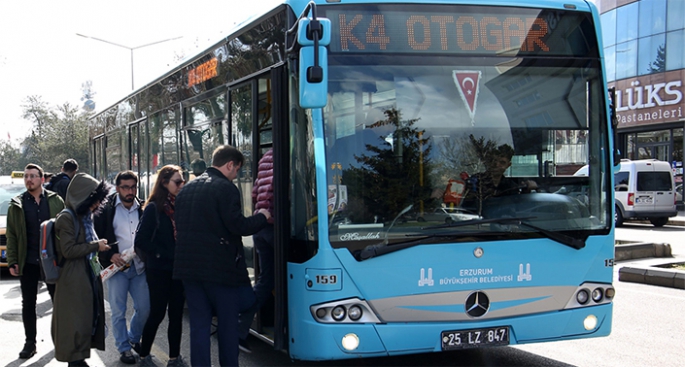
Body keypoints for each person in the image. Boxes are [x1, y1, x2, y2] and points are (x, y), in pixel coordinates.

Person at [174, 145, 271, 367]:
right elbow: (237, 225)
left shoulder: (186, 190)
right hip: (220, 271)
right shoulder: (225, 188)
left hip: (189, 270)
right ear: (230, 165)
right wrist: (262, 217)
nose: (236, 175)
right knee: (227, 327)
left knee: (199, 326)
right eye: (237, 170)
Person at [6, 163, 65, 359]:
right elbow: (12, 236)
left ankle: (61, 342)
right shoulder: (17, 204)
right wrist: (13, 260)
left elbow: (65, 230)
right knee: (28, 304)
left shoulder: (56, 201)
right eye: (26, 176)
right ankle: (30, 343)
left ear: (41, 179)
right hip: (29, 261)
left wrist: (66, 257)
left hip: (52, 262)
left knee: (59, 303)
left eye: (33, 176)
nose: (29, 179)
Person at [52, 173, 111, 366]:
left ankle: (79, 359)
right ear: (83, 197)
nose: (96, 205)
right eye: (93, 200)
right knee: (75, 324)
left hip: (84, 276)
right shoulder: (66, 218)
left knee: (85, 321)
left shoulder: (83, 217)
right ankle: (76, 360)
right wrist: (96, 246)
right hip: (73, 279)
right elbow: (68, 250)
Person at [135, 165, 189, 367]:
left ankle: (174, 358)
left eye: (182, 180)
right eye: (177, 181)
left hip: (178, 269)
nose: (181, 185)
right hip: (158, 270)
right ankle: (144, 355)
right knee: (157, 313)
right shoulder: (153, 208)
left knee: (176, 315)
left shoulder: (181, 205)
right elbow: (140, 240)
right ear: (164, 183)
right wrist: (162, 253)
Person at [94, 171, 149, 365]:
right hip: (117, 268)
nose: (130, 191)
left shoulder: (143, 207)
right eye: (125, 187)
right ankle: (124, 348)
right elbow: (96, 237)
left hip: (139, 266)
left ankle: (133, 338)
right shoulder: (106, 209)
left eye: (133, 187)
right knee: (118, 311)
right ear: (117, 188)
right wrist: (110, 254)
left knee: (144, 308)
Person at [238, 148, 275, 353]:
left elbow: (255, 193)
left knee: (266, 279)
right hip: (274, 227)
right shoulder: (290, 153)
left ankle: (241, 324)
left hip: (261, 227)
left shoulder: (265, 158)